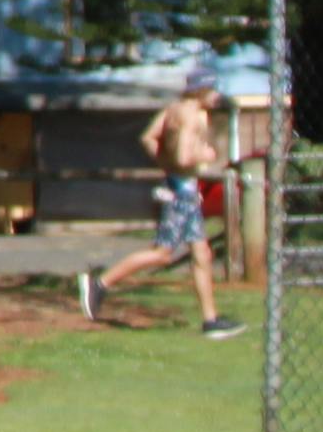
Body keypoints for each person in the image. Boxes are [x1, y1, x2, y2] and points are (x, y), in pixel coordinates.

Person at [86, 68, 245, 339]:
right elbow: (184, 157)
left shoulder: (172, 109)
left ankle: (210, 321)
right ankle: (100, 283)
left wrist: (164, 163)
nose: (216, 96)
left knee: (201, 254)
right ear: (201, 91)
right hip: (181, 192)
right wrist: (204, 154)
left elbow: (148, 138)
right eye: (213, 90)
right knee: (162, 254)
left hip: (181, 187)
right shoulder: (192, 117)